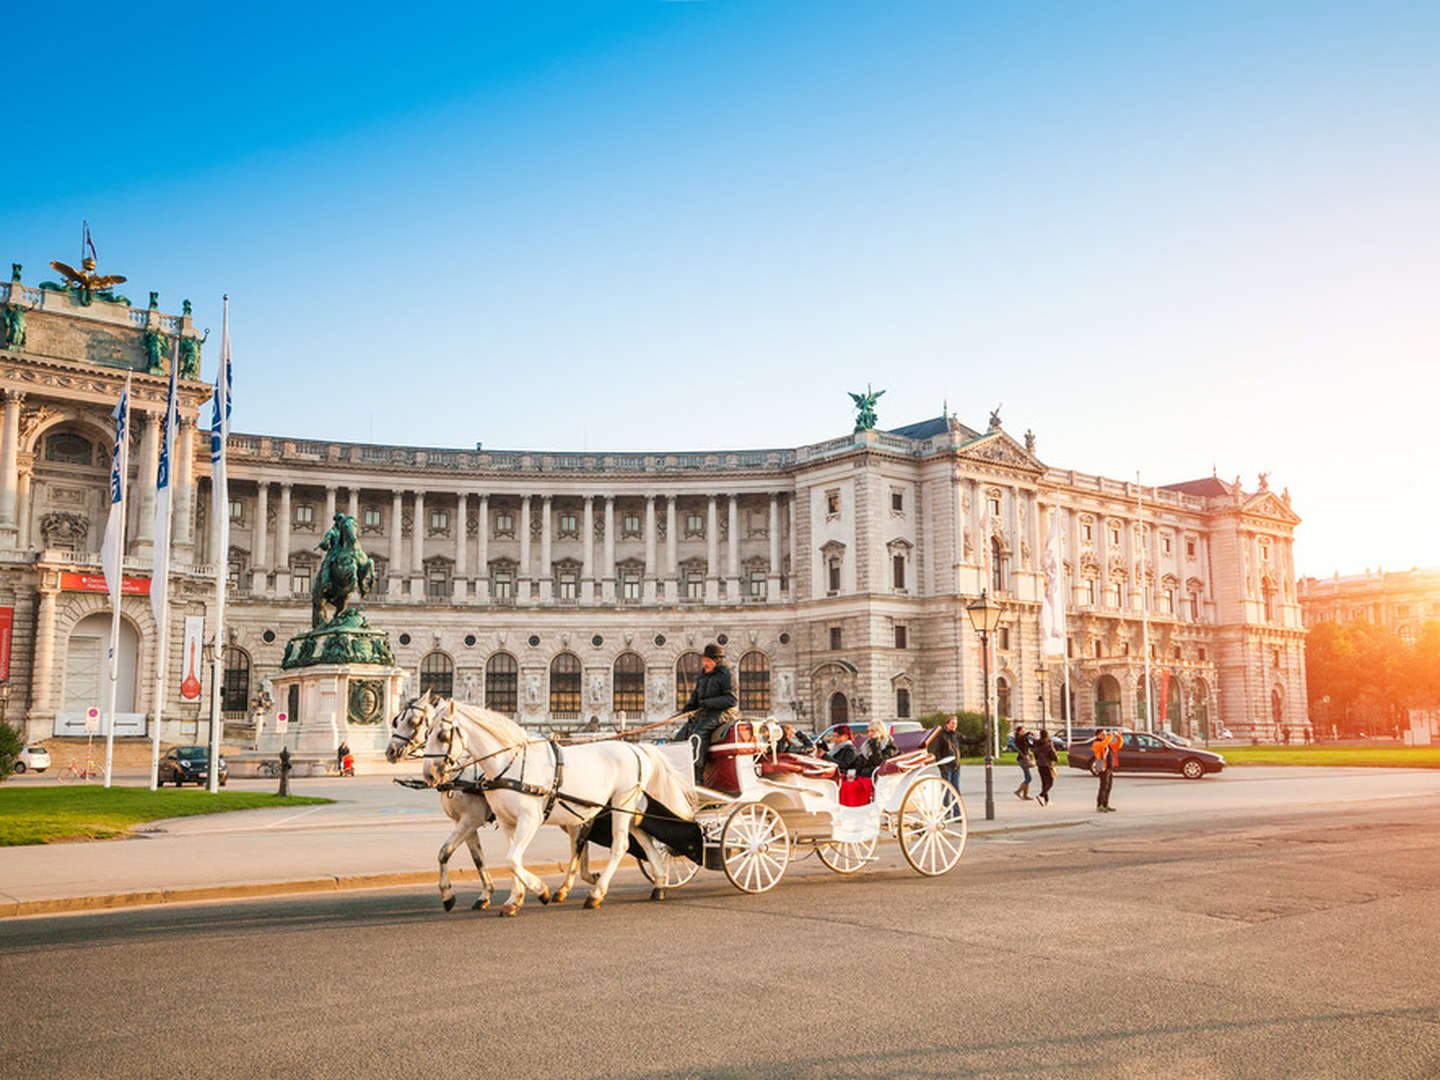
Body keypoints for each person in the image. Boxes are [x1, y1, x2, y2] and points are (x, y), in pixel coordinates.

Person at [675, 643, 739, 782]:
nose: (705, 664)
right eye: (704, 660)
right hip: (706, 713)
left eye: (708, 661)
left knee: (698, 735)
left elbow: (731, 699)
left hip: (725, 713)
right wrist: (688, 707)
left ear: (717, 661)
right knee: (681, 736)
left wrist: (708, 703)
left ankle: (697, 775)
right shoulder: (703, 676)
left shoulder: (726, 675)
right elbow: (696, 696)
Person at [1091, 727, 1120, 812]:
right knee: (1103, 786)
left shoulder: (1107, 744)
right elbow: (1103, 744)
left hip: (1109, 767)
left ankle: (1105, 804)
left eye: (1105, 734)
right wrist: (1110, 736)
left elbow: (1118, 745)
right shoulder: (1096, 743)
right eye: (1103, 734)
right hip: (1103, 768)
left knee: (1108, 787)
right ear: (1098, 735)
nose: (1105, 736)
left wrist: (1119, 737)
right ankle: (1099, 805)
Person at [1034, 729, 1059, 806]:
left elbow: (1035, 755)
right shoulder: (1048, 743)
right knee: (1050, 783)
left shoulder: (1037, 744)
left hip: (1040, 765)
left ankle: (1047, 800)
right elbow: (1053, 754)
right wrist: (1056, 758)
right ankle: (1041, 795)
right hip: (1047, 764)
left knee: (1044, 782)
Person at [1013, 724, 1036, 800]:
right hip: (1022, 760)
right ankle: (1018, 791)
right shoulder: (1018, 739)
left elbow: (1031, 746)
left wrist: (1034, 739)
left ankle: (1025, 795)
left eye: (1024, 731)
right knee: (1029, 778)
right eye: (1022, 731)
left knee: (1027, 777)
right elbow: (1022, 738)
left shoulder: (1024, 739)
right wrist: (1029, 733)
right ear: (1019, 732)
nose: (1024, 732)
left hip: (1026, 759)